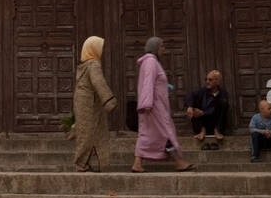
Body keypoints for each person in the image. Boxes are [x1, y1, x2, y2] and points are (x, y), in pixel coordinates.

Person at [131, 37, 193, 174]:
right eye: (162, 46)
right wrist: (147, 103)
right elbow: (148, 82)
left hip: (155, 106)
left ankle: (137, 163)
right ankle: (179, 162)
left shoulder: (152, 63)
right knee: (165, 133)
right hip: (154, 107)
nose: (164, 49)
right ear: (155, 48)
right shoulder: (151, 62)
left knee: (148, 134)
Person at [72, 36, 117, 172]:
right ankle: (81, 163)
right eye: (100, 47)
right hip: (89, 105)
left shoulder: (85, 65)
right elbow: (98, 82)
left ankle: (87, 162)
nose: (102, 50)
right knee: (88, 133)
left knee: (89, 133)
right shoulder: (93, 64)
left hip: (84, 103)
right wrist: (109, 100)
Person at [185, 69, 229, 142]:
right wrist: (190, 107)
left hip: (216, 122)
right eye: (206, 79)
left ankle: (217, 130)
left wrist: (203, 112)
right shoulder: (202, 91)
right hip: (203, 121)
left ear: (217, 81)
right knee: (193, 105)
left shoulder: (223, 93)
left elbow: (215, 108)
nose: (207, 82)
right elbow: (190, 95)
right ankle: (202, 130)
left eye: (210, 80)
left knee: (223, 103)